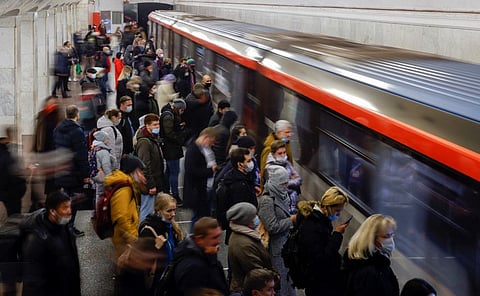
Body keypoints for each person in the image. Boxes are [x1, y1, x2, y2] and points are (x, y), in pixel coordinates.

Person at [21, 190, 81, 296]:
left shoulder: (65, 227)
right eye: (65, 207)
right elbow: (34, 282)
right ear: (52, 211)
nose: (69, 211)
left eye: (69, 206)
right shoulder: (37, 240)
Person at [295, 186, 350, 296]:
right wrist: (337, 235)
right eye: (337, 211)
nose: (339, 215)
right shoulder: (313, 226)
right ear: (327, 207)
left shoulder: (319, 220)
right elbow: (321, 258)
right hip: (318, 283)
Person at [257, 165, 296, 296]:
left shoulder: (282, 194)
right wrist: (292, 220)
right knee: (281, 285)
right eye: (283, 183)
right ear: (275, 182)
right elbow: (272, 226)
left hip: (286, 245)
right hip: (276, 249)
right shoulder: (267, 201)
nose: (286, 186)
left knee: (289, 281)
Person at [53, 105, 90, 237]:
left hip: (61, 169)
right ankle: (69, 227)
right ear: (77, 114)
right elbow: (81, 154)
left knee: (64, 199)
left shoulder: (57, 129)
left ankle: (63, 226)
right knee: (73, 201)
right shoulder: (77, 131)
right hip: (74, 172)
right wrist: (86, 174)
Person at [138, 193, 184, 295]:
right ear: (158, 211)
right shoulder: (148, 230)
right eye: (169, 211)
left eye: (174, 210)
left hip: (171, 277)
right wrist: (156, 247)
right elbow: (141, 260)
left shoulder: (170, 226)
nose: (173, 214)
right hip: (158, 280)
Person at [342, 214, 400, 296]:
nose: (391, 240)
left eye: (392, 235)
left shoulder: (379, 263)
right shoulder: (368, 272)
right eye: (386, 236)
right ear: (372, 238)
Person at [172, 217, 228, 295]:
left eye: (219, 236)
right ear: (199, 239)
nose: (218, 241)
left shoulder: (203, 256)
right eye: (214, 237)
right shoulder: (193, 268)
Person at [227, 202, 273, 294]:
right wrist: (275, 277)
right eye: (254, 216)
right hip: (247, 290)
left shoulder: (245, 236)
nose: (257, 218)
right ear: (247, 221)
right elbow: (256, 272)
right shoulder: (243, 244)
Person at [183, 127, 220, 225]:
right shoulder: (193, 150)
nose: (212, 144)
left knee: (203, 217)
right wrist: (210, 171)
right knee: (198, 218)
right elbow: (192, 170)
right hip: (197, 191)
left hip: (205, 189)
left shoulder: (204, 148)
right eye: (212, 141)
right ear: (206, 137)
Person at [135, 113, 165, 222]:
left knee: (152, 209)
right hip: (149, 183)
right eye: (154, 125)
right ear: (147, 126)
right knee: (147, 210)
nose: (157, 127)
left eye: (158, 125)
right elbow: (144, 165)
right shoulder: (144, 142)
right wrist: (151, 184)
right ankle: (144, 233)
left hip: (155, 179)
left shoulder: (152, 138)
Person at [160, 98, 187, 205]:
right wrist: (180, 138)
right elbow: (169, 133)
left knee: (169, 171)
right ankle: (175, 194)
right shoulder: (169, 116)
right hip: (171, 148)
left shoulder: (169, 114)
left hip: (170, 147)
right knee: (175, 172)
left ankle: (166, 190)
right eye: (181, 110)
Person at [265, 140, 302, 214]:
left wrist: (288, 183)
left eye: (284, 152)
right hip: (279, 204)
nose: (283, 155)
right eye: (279, 153)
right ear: (273, 154)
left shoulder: (287, 163)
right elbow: (278, 187)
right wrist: (291, 180)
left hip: (293, 202)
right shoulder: (269, 168)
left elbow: (299, 179)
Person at [0, 126, 27, 216]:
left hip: (7, 190)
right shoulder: (6, 153)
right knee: (14, 214)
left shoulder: (6, 150)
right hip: (10, 190)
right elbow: (11, 173)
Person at [91, 130, 116, 200]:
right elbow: (106, 165)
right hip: (103, 176)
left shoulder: (95, 148)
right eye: (107, 138)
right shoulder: (104, 151)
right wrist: (110, 178)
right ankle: (100, 208)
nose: (108, 140)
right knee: (102, 193)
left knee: (98, 193)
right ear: (103, 140)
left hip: (96, 174)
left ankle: (97, 207)